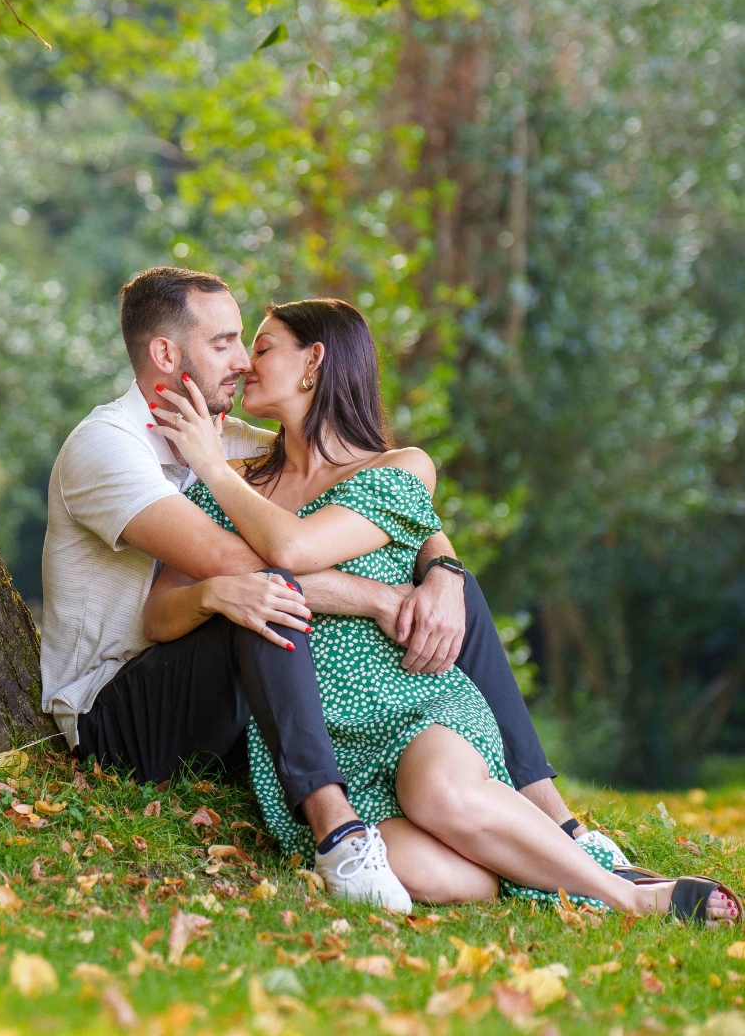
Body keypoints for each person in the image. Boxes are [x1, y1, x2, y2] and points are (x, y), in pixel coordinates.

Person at [140, 295, 739, 923]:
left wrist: (208, 463)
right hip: (320, 742)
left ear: (314, 362)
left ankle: (631, 897)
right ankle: (557, 860)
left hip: (413, 703)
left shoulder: (395, 470)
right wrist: (211, 592)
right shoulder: (236, 486)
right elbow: (158, 617)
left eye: (261, 348)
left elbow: (291, 547)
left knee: (438, 791)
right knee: (439, 874)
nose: (243, 363)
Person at [41, 266, 605, 908]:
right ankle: (338, 832)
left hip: (227, 691)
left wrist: (441, 568)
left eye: (249, 344)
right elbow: (246, 563)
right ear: (167, 354)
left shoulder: (226, 435)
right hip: (120, 700)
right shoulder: (108, 447)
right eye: (224, 343)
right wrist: (380, 599)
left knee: (449, 588)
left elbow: (364, 483)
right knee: (260, 597)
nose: (242, 363)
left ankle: (552, 820)